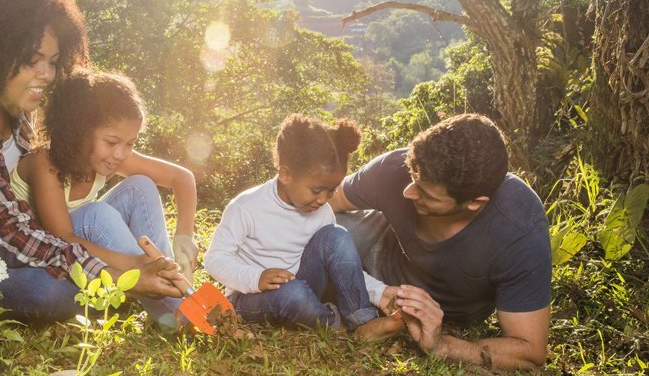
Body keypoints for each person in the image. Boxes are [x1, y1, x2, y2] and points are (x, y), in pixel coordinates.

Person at [0, 0, 181, 325]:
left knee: (110, 212)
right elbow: (12, 233)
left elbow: (40, 228)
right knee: (49, 291)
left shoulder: (13, 98)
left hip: (29, 239)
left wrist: (133, 266)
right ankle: (157, 300)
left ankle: (174, 303)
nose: (47, 74)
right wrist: (126, 272)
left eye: (52, 60)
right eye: (34, 60)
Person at [328, 114, 551, 369]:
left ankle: (357, 302)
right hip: (379, 245)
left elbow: (531, 351)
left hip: (441, 308)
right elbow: (327, 199)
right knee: (318, 230)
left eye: (425, 193)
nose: (407, 192)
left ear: (474, 203)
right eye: (413, 177)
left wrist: (442, 345)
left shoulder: (519, 229)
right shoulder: (394, 168)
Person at [10, 70, 199, 323]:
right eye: (111, 142)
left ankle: (168, 282)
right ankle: (180, 313)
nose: (121, 154)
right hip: (46, 255)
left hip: (84, 247)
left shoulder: (107, 157)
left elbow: (181, 178)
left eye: (130, 143)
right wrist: (134, 264)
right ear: (79, 132)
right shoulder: (44, 163)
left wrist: (185, 235)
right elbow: (62, 238)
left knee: (140, 185)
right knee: (95, 214)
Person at [203, 114, 402, 340]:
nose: (323, 199)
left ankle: (363, 321)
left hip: (303, 285)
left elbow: (343, 263)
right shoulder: (246, 207)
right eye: (317, 190)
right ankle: (334, 323)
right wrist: (256, 277)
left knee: (337, 237)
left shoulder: (323, 213)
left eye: (331, 190)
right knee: (294, 294)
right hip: (252, 296)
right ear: (286, 174)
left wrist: (380, 293)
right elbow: (215, 259)